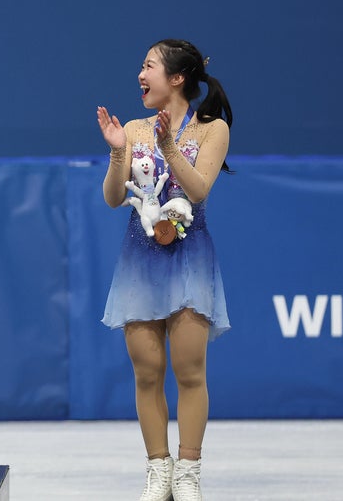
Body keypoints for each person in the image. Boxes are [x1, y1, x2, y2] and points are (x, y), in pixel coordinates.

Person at [95, 39, 233, 501]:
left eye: (148, 66)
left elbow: (197, 191)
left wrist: (170, 147)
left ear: (176, 78)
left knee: (189, 369)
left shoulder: (213, 129)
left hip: (190, 261)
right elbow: (114, 199)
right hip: (140, 262)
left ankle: (188, 471)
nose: (140, 73)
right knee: (147, 371)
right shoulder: (132, 128)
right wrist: (118, 153)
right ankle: (158, 470)